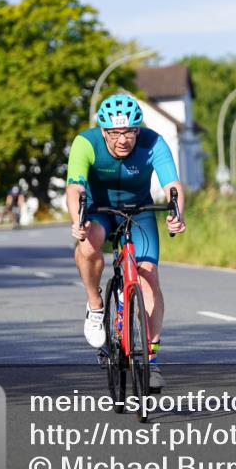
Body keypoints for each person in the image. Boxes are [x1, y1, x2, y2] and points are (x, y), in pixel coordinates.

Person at [66, 94, 186, 392]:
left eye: (130, 131)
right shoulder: (86, 142)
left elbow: (172, 184)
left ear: (137, 129)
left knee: (149, 279)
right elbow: (75, 187)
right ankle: (95, 305)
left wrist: (177, 214)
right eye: (115, 133)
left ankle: (151, 358)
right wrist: (77, 219)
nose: (123, 140)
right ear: (104, 131)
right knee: (89, 242)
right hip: (100, 211)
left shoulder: (152, 142)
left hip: (139, 211)